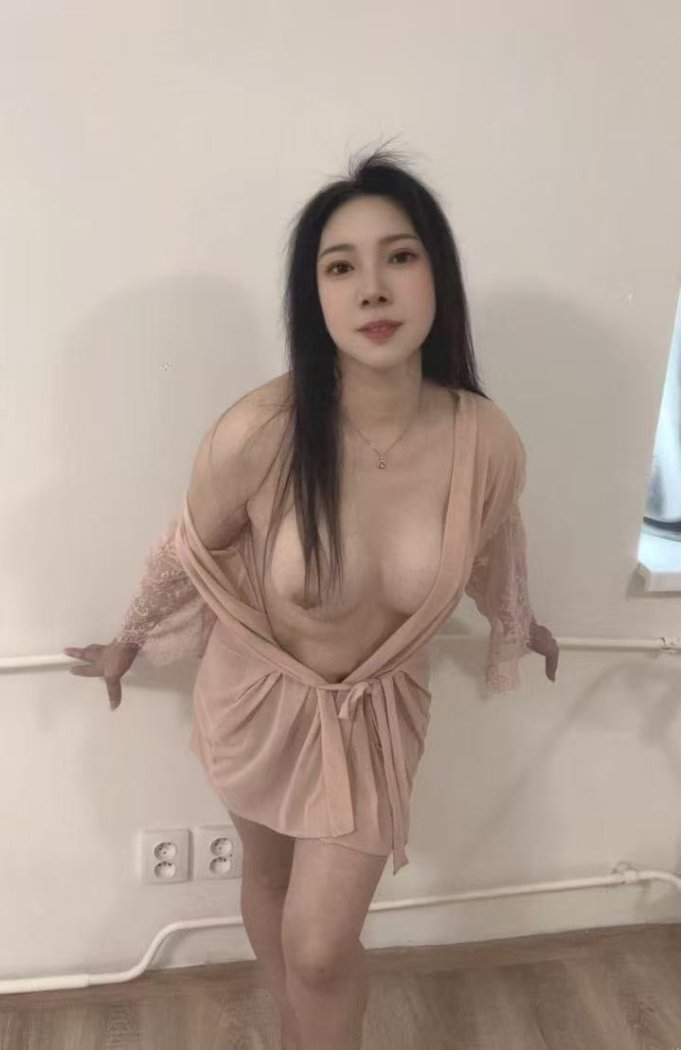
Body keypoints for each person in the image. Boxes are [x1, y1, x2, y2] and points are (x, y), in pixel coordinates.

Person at [63, 144, 559, 1050]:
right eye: (340, 268)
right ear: (314, 296)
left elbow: (487, 543)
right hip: (254, 701)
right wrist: (128, 638)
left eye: (399, 256)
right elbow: (190, 549)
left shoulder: (484, 440)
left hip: (372, 717)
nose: (372, 289)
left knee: (323, 946)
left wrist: (518, 620)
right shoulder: (260, 430)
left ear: (437, 276)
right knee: (269, 882)